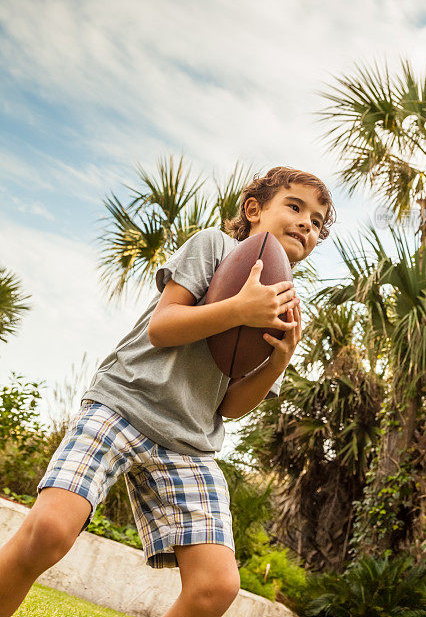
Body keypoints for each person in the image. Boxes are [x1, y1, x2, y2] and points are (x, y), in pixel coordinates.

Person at [0, 166, 335, 617]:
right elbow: (163, 328)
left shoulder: (288, 305)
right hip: (124, 405)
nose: (305, 224)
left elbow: (232, 406)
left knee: (215, 587)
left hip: (189, 442)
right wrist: (238, 309)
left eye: (317, 222)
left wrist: (279, 361)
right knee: (49, 532)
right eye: (295, 207)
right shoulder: (214, 246)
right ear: (254, 210)